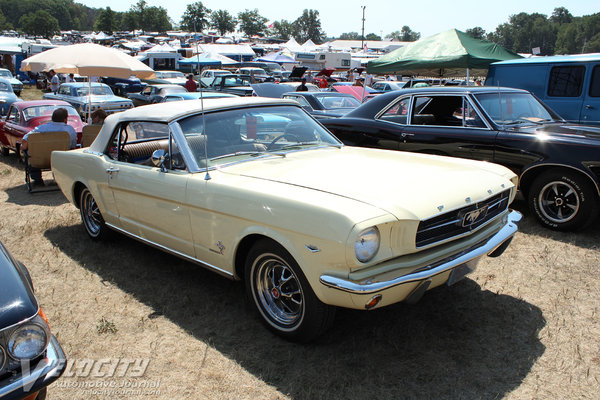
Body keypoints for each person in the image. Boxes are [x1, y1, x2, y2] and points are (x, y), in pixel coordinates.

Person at [21, 108, 78, 186]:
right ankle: (60, 178)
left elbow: (25, 141)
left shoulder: (41, 128)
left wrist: (23, 149)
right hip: (60, 160)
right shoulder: (70, 130)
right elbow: (73, 146)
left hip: (39, 160)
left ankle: (37, 179)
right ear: (65, 119)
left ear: (52, 118)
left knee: (31, 154)